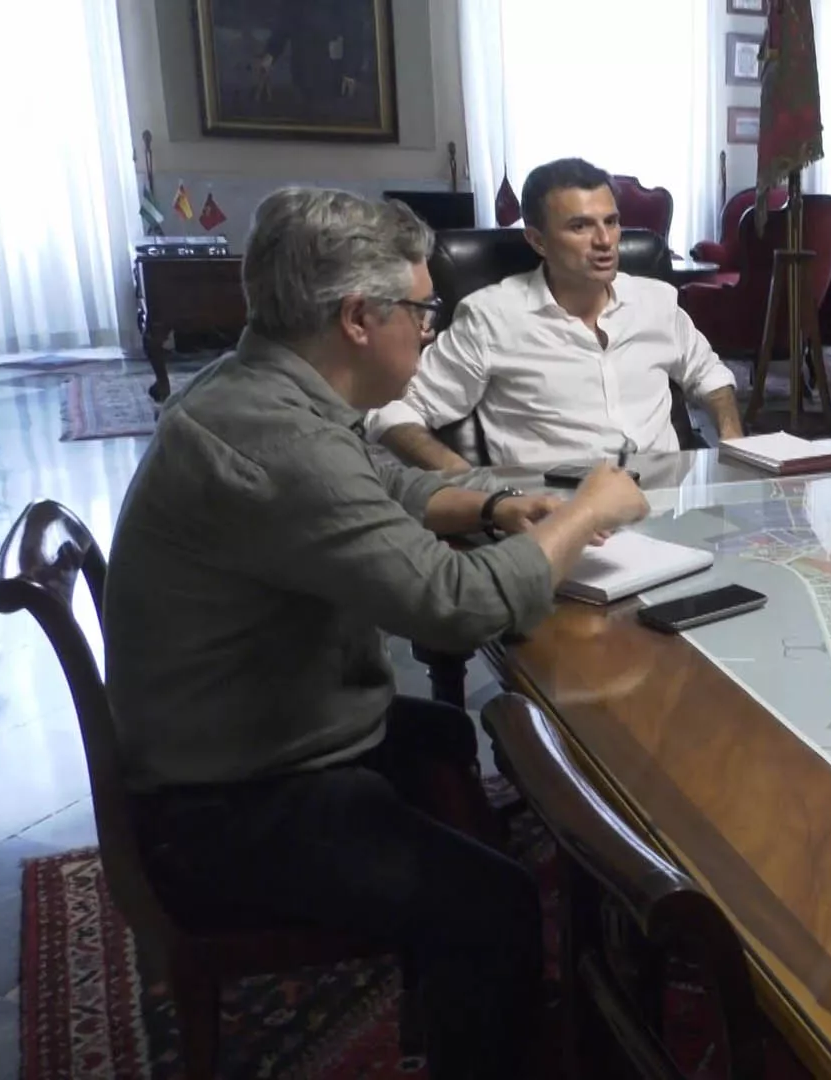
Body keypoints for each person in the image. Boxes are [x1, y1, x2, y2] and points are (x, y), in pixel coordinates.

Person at [105, 188, 649, 1079]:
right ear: (361, 317)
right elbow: (454, 604)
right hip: (229, 806)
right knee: (496, 901)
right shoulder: (280, 444)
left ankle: (461, 1002)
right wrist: (584, 512)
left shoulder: (263, 388)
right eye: (422, 309)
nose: (429, 328)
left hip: (240, 739)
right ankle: (489, 1015)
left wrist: (502, 504)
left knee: (441, 733)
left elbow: (373, 487)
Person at [366, 156, 744, 471]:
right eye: (580, 226)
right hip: (561, 515)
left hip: (669, 506)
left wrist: (733, 448)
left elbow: (709, 374)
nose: (604, 242)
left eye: (611, 222)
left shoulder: (655, 300)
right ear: (537, 240)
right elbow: (396, 415)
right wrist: (471, 487)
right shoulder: (491, 318)